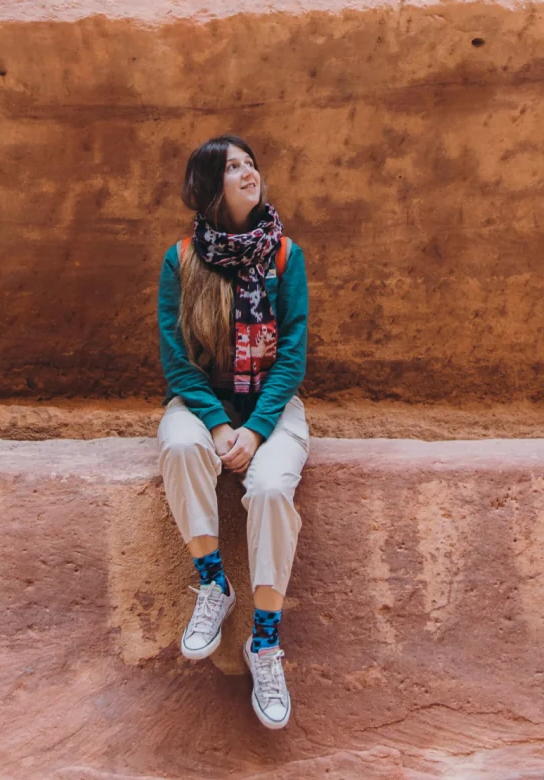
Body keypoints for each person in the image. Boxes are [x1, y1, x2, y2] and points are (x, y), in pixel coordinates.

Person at [155, 134, 311, 730]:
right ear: (207, 187)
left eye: (251, 163)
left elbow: (292, 355)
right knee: (181, 444)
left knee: (271, 489)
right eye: (232, 167)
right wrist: (219, 425)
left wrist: (259, 428)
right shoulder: (181, 259)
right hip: (203, 401)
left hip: (272, 405)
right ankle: (212, 583)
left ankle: (264, 643)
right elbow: (176, 360)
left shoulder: (284, 256)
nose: (249, 173)